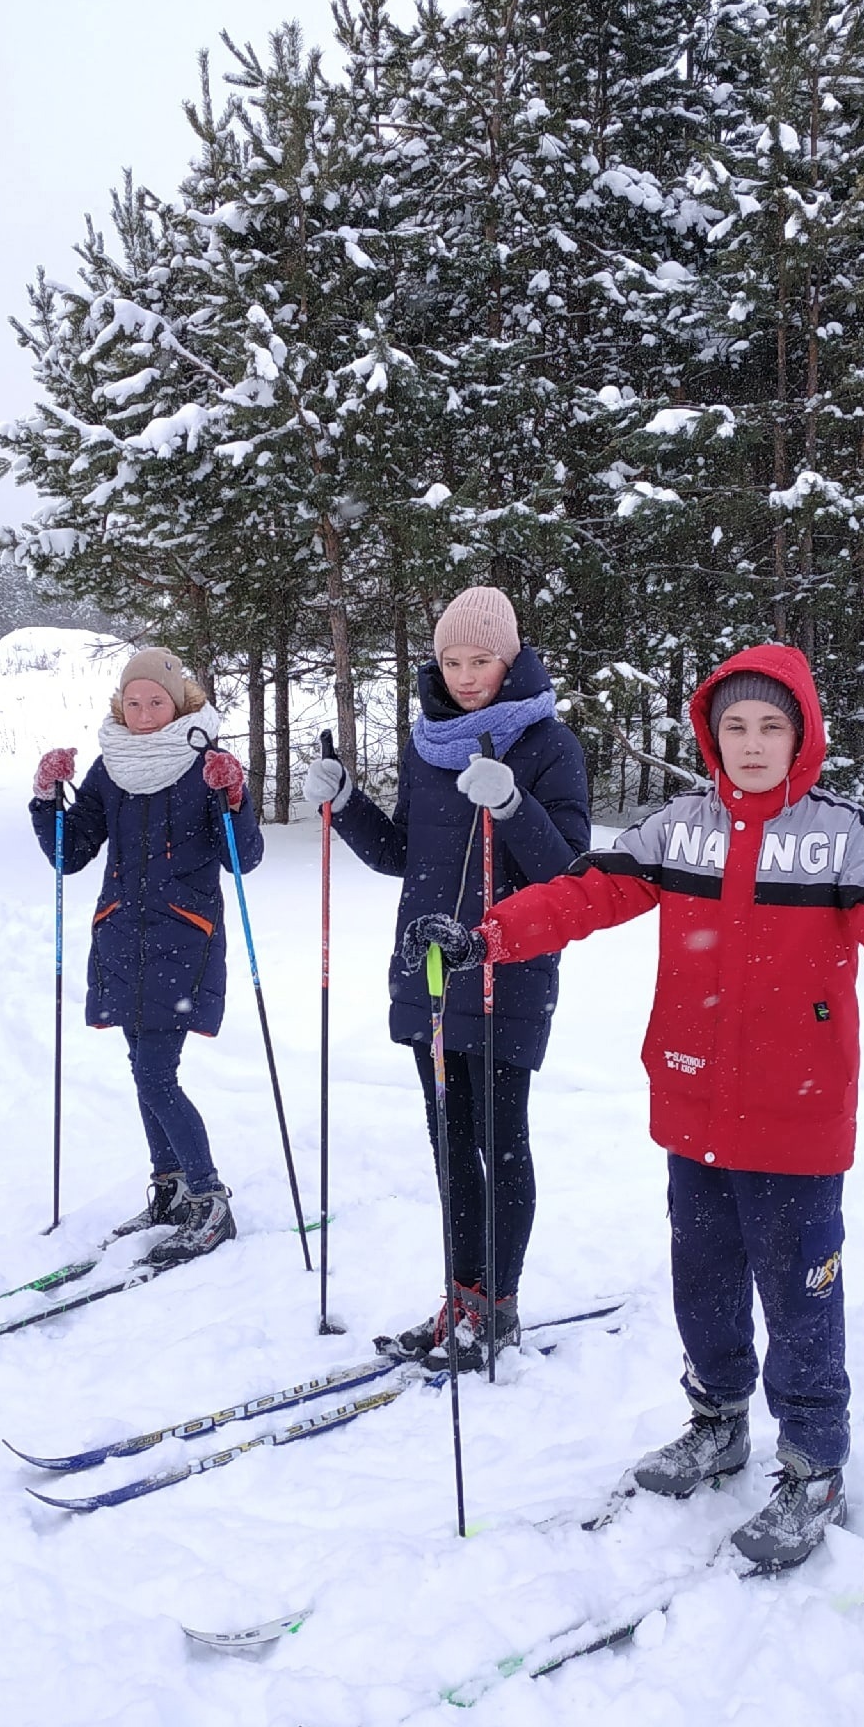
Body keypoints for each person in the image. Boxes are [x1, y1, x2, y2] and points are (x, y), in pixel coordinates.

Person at [402, 644, 864, 1570]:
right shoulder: (680, 828)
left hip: (797, 1111)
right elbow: (586, 894)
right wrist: (487, 937)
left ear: (802, 736)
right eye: (734, 726)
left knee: (799, 1291)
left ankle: (815, 1458)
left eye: (769, 727)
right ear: (710, 736)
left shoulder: (840, 833)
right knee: (701, 1278)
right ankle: (717, 1419)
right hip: (695, 1099)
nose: (750, 744)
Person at [300, 586, 591, 1370]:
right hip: (428, 969)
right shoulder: (429, 743)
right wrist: (347, 802)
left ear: (512, 658)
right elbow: (404, 855)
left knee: (501, 1144)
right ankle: (460, 1299)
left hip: (508, 969)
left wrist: (512, 804)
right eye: (453, 660)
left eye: (482, 660)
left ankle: (497, 1308)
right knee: (451, 1149)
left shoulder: (550, 746)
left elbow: (568, 873)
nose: (466, 676)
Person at [31, 647, 258, 1265]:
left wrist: (234, 797)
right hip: (121, 940)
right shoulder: (110, 770)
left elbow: (244, 858)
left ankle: (210, 1198)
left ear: (181, 702)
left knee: (156, 1075)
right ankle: (172, 1188)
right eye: (133, 702)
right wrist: (47, 798)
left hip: (183, 942)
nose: (144, 712)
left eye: (156, 701)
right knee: (144, 1072)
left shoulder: (204, 765)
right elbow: (69, 852)